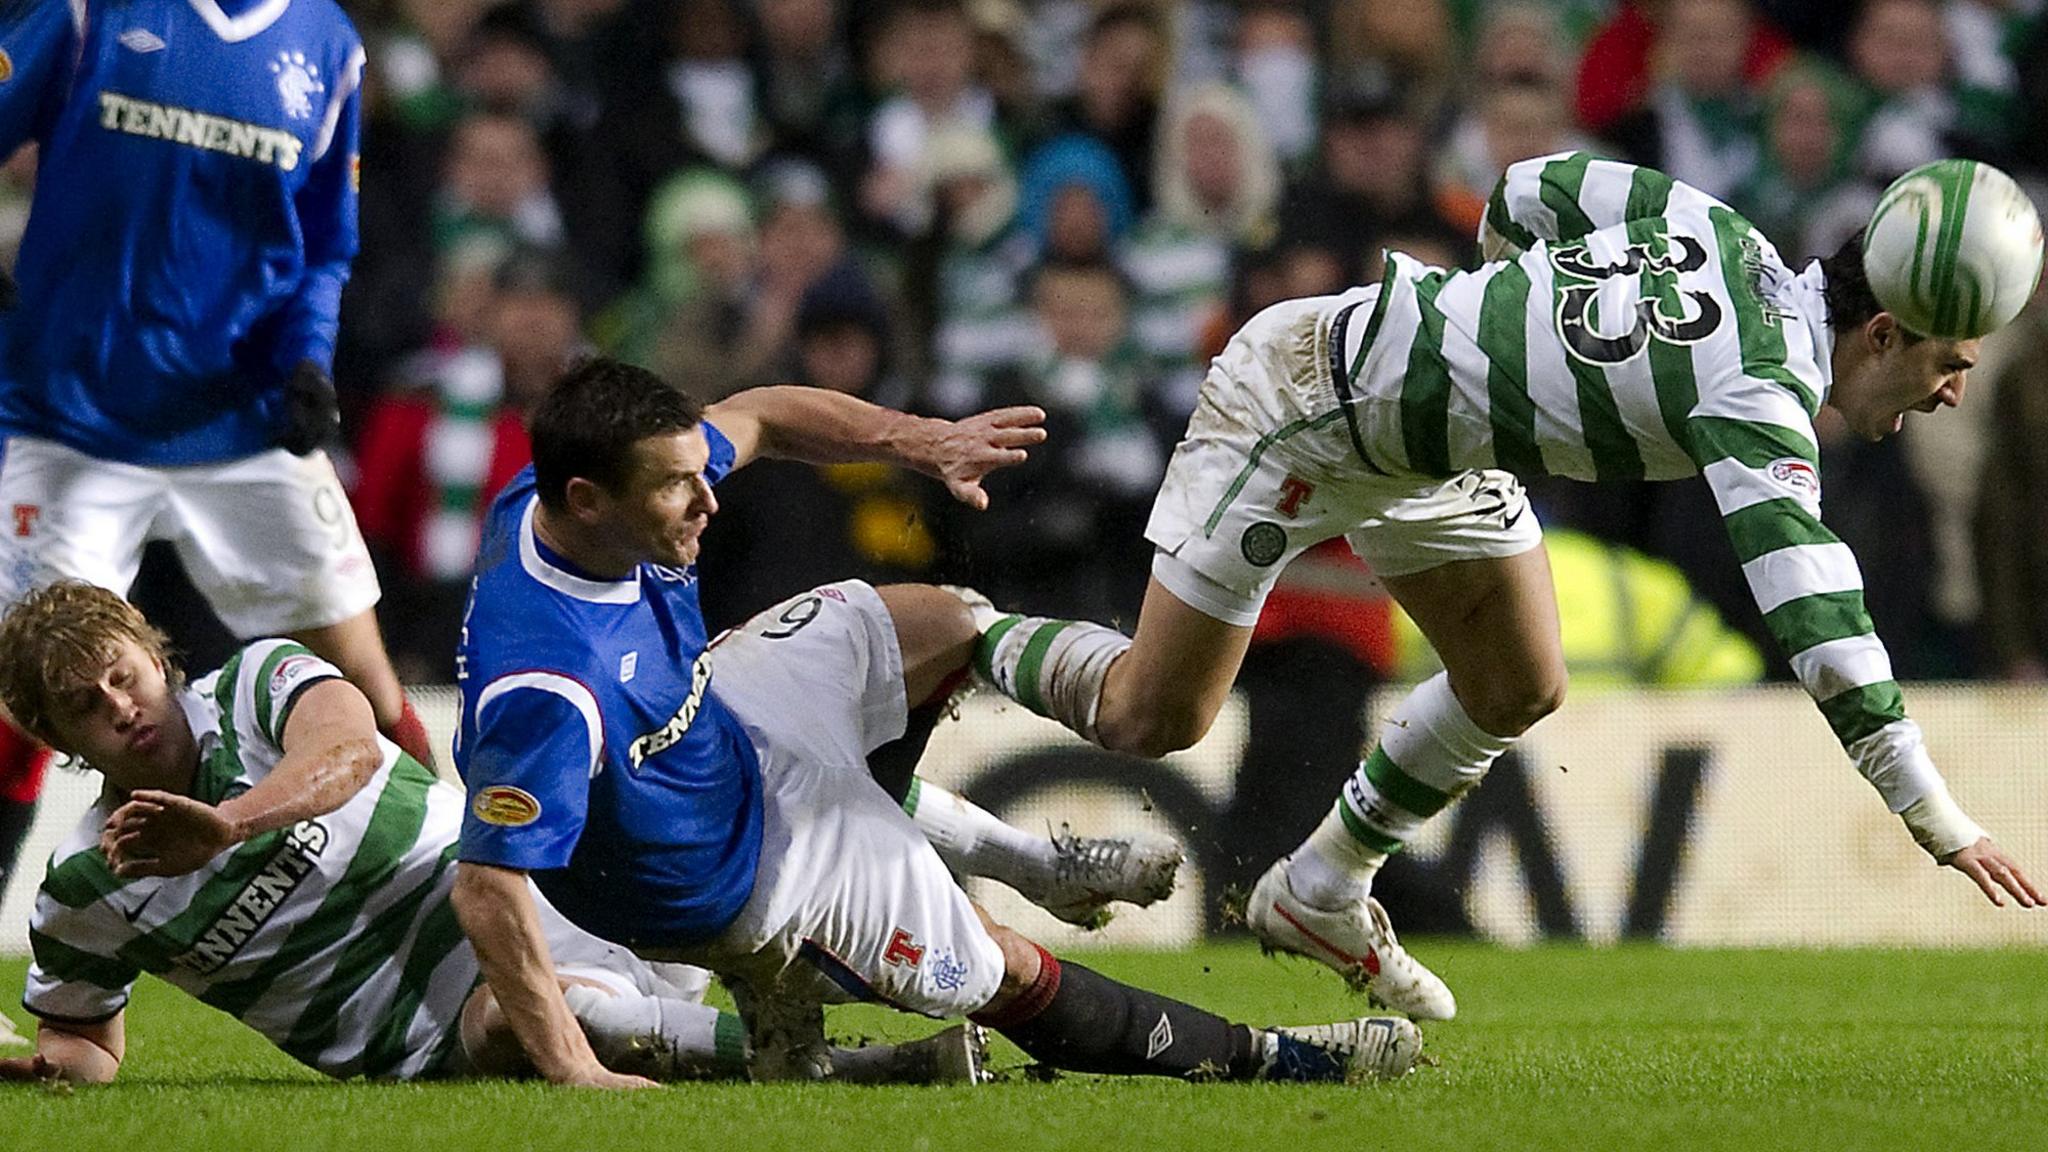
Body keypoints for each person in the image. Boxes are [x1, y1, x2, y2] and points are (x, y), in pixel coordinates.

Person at [967, 151, 2045, 1020]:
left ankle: (1322, 887)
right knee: (1152, 715)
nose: (1954, 389)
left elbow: (1540, 185)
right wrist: (1936, 815)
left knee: (1518, 680)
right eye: (1950, 359)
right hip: (1300, 407)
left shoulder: (1723, 232)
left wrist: (1500, 310)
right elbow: (1818, 614)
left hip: (1421, 446)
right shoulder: (1758, 393)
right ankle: (961, 632)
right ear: (1882, 332)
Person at [449, 359, 1421, 1088]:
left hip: (714, 723)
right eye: (676, 488)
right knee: (992, 967)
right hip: (734, 880)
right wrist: (576, 1072)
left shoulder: (581, 488)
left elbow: (763, 414)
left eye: (697, 475)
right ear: (583, 500)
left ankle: (1109, 737)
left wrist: (920, 439)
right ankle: (1275, 1060)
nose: (708, 499)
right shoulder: (546, 682)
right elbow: (487, 887)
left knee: (934, 620)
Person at [0, 581, 985, 1086]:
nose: (117, 704)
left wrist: (227, 826)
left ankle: (1007, 862)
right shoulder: (86, 889)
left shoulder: (258, 683)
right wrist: (48, 1069)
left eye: (121, 672)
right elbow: (86, 1037)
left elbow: (346, 749)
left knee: (701, 786)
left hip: (534, 891)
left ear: (151, 650)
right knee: (549, 1022)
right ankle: (877, 1063)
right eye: (83, 706)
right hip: (442, 1039)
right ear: (56, 740)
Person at [0, 0, 436, 886]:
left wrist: (308, 360)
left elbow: (324, 246)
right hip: (69, 418)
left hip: (242, 421)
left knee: (367, 686)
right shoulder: (87, 12)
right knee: (28, 697)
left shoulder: (327, 44)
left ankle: (480, 904)